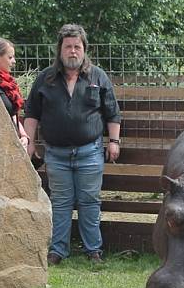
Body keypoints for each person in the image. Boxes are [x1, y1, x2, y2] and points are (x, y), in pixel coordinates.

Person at [23, 23, 121, 266]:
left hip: (90, 151)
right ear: (60, 50)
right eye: (68, 46)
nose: (73, 51)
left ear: (84, 49)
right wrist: (29, 142)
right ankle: (58, 251)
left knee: (90, 201)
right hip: (56, 154)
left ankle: (93, 250)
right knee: (60, 203)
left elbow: (112, 112)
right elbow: (32, 113)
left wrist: (114, 142)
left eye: (77, 46)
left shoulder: (98, 76)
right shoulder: (45, 79)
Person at [0, 36, 31, 150]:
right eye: (10, 57)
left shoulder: (7, 83)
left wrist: (23, 135)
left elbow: (11, 113)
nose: (14, 61)